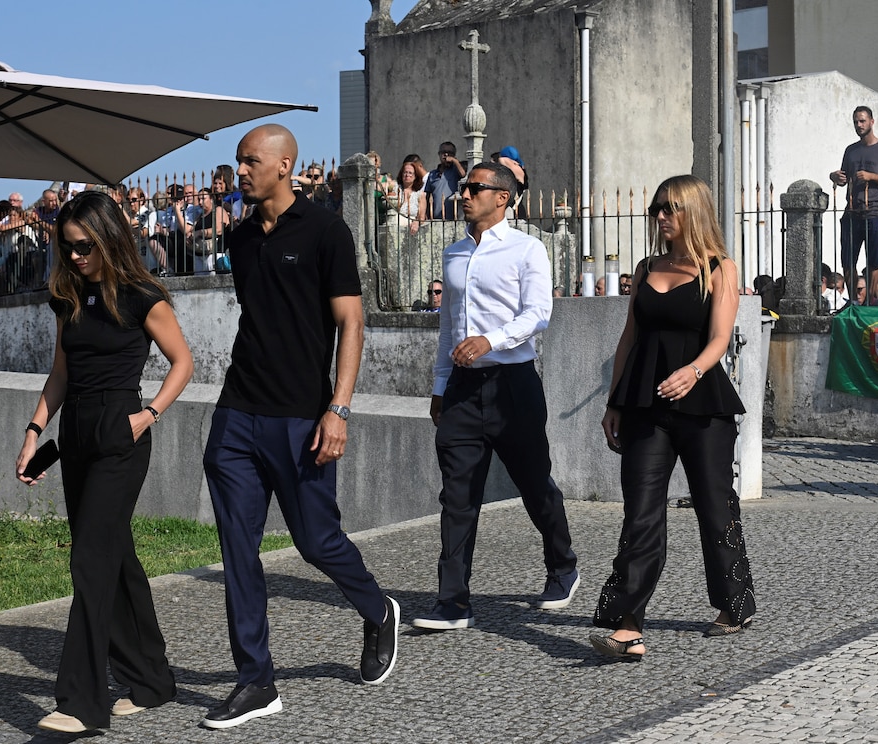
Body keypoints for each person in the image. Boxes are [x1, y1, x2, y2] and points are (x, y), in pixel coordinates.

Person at [201, 123, 398, 730]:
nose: (241, 171)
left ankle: (377, 609)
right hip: (237, 413)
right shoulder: (242, 238)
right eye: (237, 162)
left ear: (285, 165)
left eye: (251, 161)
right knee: (238, 548)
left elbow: (351, 324)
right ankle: (256, 681)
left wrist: (337, 408)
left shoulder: (325, 231)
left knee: (317, 542)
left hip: (302, 418)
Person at [15, 190, 194, 732]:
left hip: (121, 433)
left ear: (109, 238)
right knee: (114, 558)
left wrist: (149, 415)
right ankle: (151, 679)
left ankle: (79, 704)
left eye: (85, 246)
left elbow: (183, 362)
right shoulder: (67, 298)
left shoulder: (142, 296)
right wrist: (32, 432)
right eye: (67, 247)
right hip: (77, 435)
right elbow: (61, 375)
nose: (75, 256)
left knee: (90, 561)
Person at [591, 174, 754, 661]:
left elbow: (721, 338)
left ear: (693, 211)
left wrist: (694, 371)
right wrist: (614, 401)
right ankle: (626, 623)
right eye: (657, 208)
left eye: (670, 208)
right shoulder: (645, 268)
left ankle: (735, 602)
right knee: (640, 510)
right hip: (644, 404)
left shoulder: (719, 268)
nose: (661, 216)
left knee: (714, 505)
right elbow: (629, 339)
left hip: (703, 406)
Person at [412, 161, 579, 631]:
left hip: (513, 384)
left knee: (533, 483)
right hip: (463, 390)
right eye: (464, 187)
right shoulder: (453, 254)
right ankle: (453, 602)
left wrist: (492, 339)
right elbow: (448, 328)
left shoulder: (528, 249)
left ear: (502, 197)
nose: (464, 194)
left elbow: (538, 313)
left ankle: (563, 567)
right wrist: (439, 386)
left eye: (475, 188)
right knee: (457, 495)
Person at [830, 106, 878, 305]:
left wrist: (872, 177)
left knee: (873, 261)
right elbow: (844, 178)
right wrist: (835, 177)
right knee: (848, 261)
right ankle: (853, 301)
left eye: (862, 121)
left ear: (872, 122)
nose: (858, 125)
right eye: (855, 122)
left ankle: (873, 301)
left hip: (875, 211)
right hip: (852, 211)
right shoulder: (850, 150)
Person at [424, 141, 466, 219]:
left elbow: (463, 174)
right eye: (443, 152)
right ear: (439, 154)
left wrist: (455, 161)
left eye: (450, 153)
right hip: (435, 218)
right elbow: (427, 196)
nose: (446, 155)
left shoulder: (455, 171)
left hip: (454, 218)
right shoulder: (432, 174)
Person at [389, 159, 427, 235]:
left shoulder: (420, 194)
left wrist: (416, 222)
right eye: (405, 172)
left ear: (415, 176)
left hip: (409, 232)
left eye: (410, 173)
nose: (407, 175)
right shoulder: (394, 187)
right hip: (392, 229)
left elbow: (422, 217)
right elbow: (380, 184)